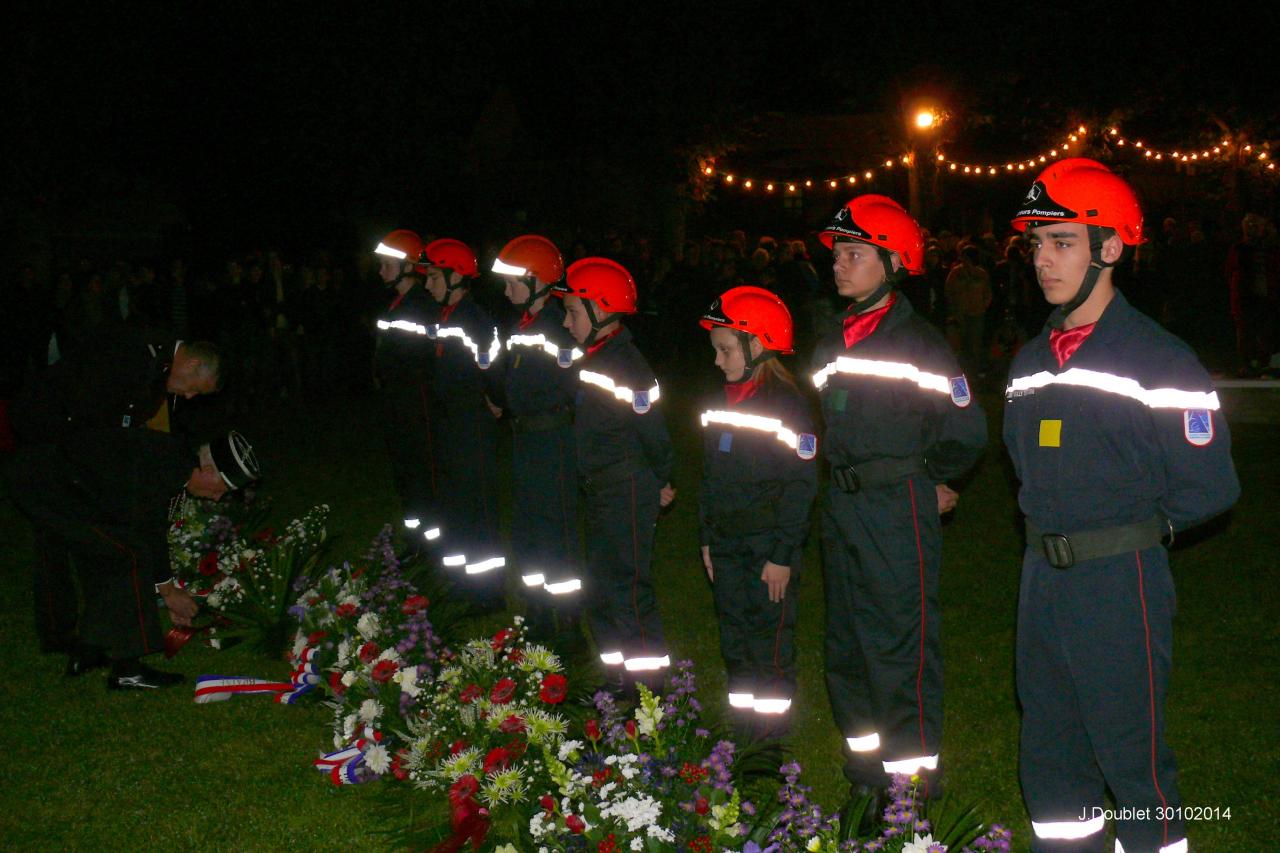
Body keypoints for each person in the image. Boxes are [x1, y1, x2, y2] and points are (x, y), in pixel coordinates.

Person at [1006, 158, 1239, 853]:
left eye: (1062, 242)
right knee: (1048, 755)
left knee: (1132, 761)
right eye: (1036, 244)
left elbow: (1211, 485)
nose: (1042, 260)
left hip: (1118, 584)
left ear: (1110, 247)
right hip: (1039, 581)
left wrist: (1133, 533)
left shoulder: (1160, 359)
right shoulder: (1026, 363)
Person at [810, 195, 987, 797]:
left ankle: (910, 794)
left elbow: (965, 430)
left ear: (892, 263)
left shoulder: (922, 343)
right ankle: (864, 773)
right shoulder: (834, 337)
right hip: (841, 507)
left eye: (854, 253)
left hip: (894, 509)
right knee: (848, 645)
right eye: (837, 253)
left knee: (899, 648)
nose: (839, 264)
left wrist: (934, 479)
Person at [9, 325, 222, 654]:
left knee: (71, 538)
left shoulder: (157, 368)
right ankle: (71, 638)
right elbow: (95, 421)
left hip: (72, 450)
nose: (189, 397)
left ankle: (76, 638)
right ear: (192, 364)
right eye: (196, 389)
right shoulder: (134, 353)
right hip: (46, 442)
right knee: (70, 538)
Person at [4, 427, 260, 689]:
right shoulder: (162, 467)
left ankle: (89, 650)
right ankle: (127, 669)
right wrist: (170, 593)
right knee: (130, 555)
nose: (218, 497)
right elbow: (148, 532)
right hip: (44, 482)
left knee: (109, 552)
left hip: (64, 483)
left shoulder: (174, 460)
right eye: (221, 489)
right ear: (207, 471)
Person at [697, 286, 816, 738]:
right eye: (716, 350)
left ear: (758, 345)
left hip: (768, 547)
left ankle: (768, 742)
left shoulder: (789, 407)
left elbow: (801, 486)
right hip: (726, 543)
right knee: (735, 637)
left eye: (725, 350)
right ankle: (742, 730)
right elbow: (708, 476)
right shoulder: (719, 402)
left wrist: (783, 554)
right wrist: (706, 538)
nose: (717, 361)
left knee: (770, 641)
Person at [552, 257, 674, 690]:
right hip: (601, 490)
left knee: (628, 588)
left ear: (601, 310)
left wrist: (661, 479)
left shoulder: (627, 365)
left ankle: (648, 688)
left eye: (571, 312)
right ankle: (616, 675)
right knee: (601, 588)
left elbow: (653, 431)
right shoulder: (595, 357)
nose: (566, 323)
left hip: (625, 489)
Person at [492, 235, 584, 637]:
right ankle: (538, 608)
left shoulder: (556, 329)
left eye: (515, 280)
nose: (506, 288)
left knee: (555, 531)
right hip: (525, 441)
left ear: (538, 282)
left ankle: (566, 621)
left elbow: (571, 385)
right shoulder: (521, 324)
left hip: (552, 442)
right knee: (528, 529)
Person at [421, 238, 506, 606]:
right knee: (455, 504)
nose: (427, 284)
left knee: (478, 508)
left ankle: (487, 593)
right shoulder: (445, 317)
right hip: (451, 424)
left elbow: (492, 370)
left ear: (456, 277)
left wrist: (496, 401)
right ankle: (461, 581)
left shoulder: (474, 320)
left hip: (472, 425)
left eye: (434, 277)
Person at [371, 229, 444, 546]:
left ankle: (433, 543)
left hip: (417, 405)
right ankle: (416, 538)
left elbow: (425, 357)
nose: (381, 271)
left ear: (406, 266)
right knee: (404, 473)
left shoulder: (422, 305)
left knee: (420, 473)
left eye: (387, 264)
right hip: (396, 403)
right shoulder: (397, 304)